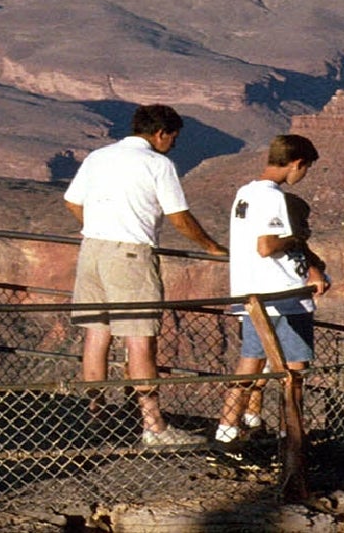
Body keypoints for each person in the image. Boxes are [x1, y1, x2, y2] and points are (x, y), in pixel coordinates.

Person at [63, 104, 225, 447]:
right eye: (173, 138)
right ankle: (153, 426)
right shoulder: (158, 164)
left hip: (92, 249)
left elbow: (72, 202)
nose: (173, 146)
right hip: (130, 255)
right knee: (140, 339)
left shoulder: (98, 156)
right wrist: (211, 246)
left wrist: (98, 225)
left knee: (97, 334)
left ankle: (95, 416)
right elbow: (179, 218)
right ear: (161, 133)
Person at [215, 134, 331, 445]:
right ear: (297, 164)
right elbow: (267, 246)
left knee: (249, 365)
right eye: (304, 169)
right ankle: (290, 435)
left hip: (254, 294)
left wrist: (311, 263)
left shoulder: (245, 192)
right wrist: (294, 238)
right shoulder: (272, 197)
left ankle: (226, 432)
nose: (302, 176)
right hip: (282, 297)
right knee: (293, 373)